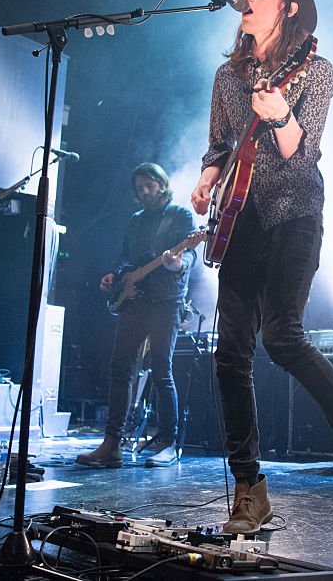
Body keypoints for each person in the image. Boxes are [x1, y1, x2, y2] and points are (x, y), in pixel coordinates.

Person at [190, 0, 333, 544]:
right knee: (229, 354)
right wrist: (208, 177)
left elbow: (299, 154)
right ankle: (248, 490)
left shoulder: (318, 70)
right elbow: (218, 144)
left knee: (282, 336)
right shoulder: (227, 78)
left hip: (294, 216)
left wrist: (282, 113)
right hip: (239, 222)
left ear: (286, 6)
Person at [77, 163, 195, 469]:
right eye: (140, 189)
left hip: (166, 300)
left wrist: (177, 265)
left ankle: (169, 443)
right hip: (135, 300)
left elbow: (190, 253)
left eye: (150, 187)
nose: (144, 193)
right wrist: (114, 277)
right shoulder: (136, 220)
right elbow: (125, 258)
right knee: (121, 369)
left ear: (162, 185)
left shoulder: (180, 215)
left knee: (161, 371)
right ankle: (112, 444)